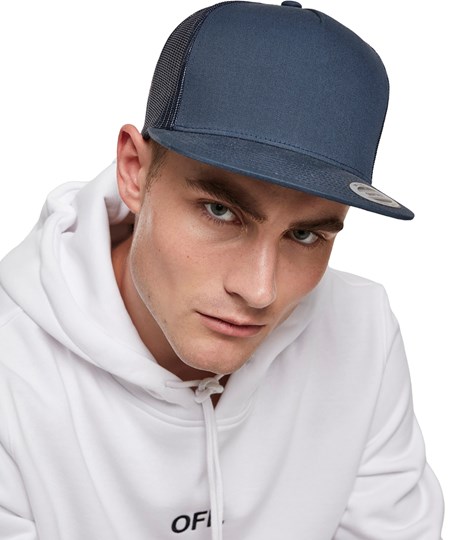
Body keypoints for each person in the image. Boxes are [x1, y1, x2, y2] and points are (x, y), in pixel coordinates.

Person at [0, 1, 444, 539]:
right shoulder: (12, 373)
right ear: (134, 171)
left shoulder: (362, 332)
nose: (259, 290)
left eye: (305, 235)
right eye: (220, 211)